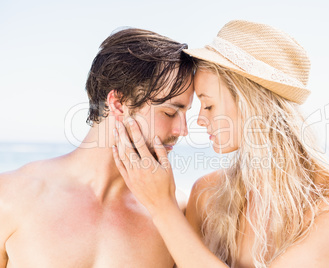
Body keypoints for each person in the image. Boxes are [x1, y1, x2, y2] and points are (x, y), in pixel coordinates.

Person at [112, 20, 329, 267]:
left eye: (209, 105)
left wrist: (162, 206)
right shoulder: (206, 194)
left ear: (252, 105)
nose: (199, 121)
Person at [0, 28, 194, 267]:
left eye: (185, 114)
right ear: (118, 103)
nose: (182, 130)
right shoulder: (10, 195)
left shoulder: (175, 213)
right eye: (170, 112)